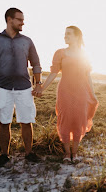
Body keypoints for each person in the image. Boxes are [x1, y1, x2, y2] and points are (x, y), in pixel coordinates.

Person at [0, 8, 43, 165]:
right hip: (2, 87)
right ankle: (4, 155)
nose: (23, 22)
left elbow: (36, 63)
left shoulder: (27, 41)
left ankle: (29, 153)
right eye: (19, 19)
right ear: (9, 19)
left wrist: (38, 84)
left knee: (27, 120)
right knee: (4, 121)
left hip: (24, 87)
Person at [37, 26, 98, 164]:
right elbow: (53, 73)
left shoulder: (85, 55)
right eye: (65, 34)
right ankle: (66, 153)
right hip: (65, 91)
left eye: (68, 34)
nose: (65, 36)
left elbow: (88, 75)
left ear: (77, 36)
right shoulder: (60, 53)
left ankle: (75, 153)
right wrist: (42, 88)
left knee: (78, 119)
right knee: (65, 120)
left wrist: (92, 94)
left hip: (81, 91)